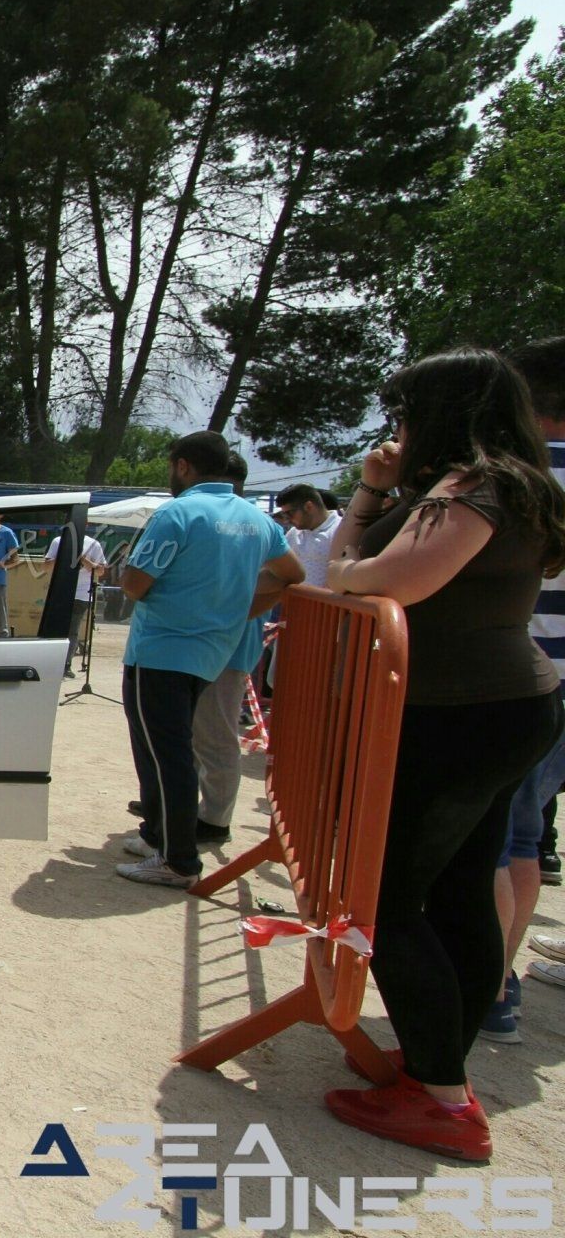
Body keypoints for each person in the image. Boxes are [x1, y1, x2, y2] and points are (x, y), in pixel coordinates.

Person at [321, 347, 565, 1162]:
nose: (397, 426)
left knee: (387, 902)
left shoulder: (475, 486)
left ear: (445, 409)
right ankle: (437, 1070)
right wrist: (373, 494)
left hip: (460, 716)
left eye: (406, 410)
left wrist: (359, 556)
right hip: (495, 709)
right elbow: (350, 569)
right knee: (459, 893)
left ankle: (443, 1100)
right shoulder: (511, 484)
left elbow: (387, 580)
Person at [115, 431, 300, 888]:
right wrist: (241, 609)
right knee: (174, 751)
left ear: (183, 466)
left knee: (164, 755)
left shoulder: (178, 512)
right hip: (212, 652)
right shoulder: (257, 520)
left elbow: (134, 584)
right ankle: (159, 837)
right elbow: (292, 577)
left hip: (161, 650)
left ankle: (177, 859)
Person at [484, 336, 565, 1042]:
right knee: (525, 842)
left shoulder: (520, 479)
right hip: (556, 689)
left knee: (490, 843)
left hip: (510, 685)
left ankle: (485, 985)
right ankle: (500, 985)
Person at [183, 451, 271, 843]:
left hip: (224, 648)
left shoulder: (247, 525)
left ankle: (214, 820)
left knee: (215, 736)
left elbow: (286, 578)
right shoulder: (246, 523)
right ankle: (189, 805)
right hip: (204, 645)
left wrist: (237, 613)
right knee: (193, 734)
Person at [44, 526, 108, 677]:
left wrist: (82, 558)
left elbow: (100, 571)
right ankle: (52, 663)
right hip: (60, 591)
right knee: (55, 629)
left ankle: (66, 664)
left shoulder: (93, 544)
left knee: (72, 630)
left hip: (81, 594)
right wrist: (64, 555)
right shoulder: (58, 541)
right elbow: (46, 567)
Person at [276, 483, 342, 588]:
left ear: (308, 507)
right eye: (284, 514)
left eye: (290, 513)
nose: (287, 519)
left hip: (327, 603)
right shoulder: (294, 533)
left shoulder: (340, 530)